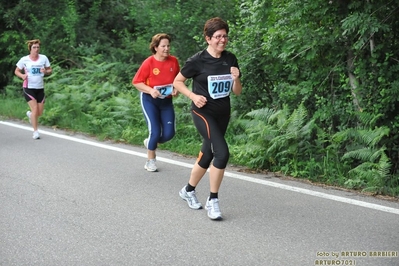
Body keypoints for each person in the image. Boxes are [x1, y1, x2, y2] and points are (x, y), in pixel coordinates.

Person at [173, 17, 242, 220]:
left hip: (223, 114)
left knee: (207, 154)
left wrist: (236, 79)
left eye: (225, 36)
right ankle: (213, 200)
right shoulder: (197, 60)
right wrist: (193, 96)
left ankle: (188, 190)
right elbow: (177, 82)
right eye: (218, 37)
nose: (223, 40)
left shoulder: (230, 59)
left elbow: (237, 92)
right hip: (202, 113)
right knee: (221, 153)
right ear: (208, 39)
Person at [132, 33, 180, 172]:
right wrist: (150, 90)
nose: (166, 48)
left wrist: (176, 88)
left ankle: (151, 143)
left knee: (169, 133)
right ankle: (150, 161)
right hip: (149, 101)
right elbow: (136, 82)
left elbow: (178, 79)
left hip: (166, 102)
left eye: (168, 45)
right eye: (163, 46)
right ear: (155, 47)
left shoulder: (173, 61)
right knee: (155, 131)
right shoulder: (149, 63)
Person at [15, 39, 52, 140]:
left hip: (40, 88)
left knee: (39, 113)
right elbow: (17, 71)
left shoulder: (43, 58)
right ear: (30, 49)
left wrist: (46, 71)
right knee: (35, 109)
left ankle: (30, 115)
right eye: (34, 47)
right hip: (28, 88)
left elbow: (50, 70)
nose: (36, 49)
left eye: (38, 47)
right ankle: (35, 132)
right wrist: (22, 76)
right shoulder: (24, 60)